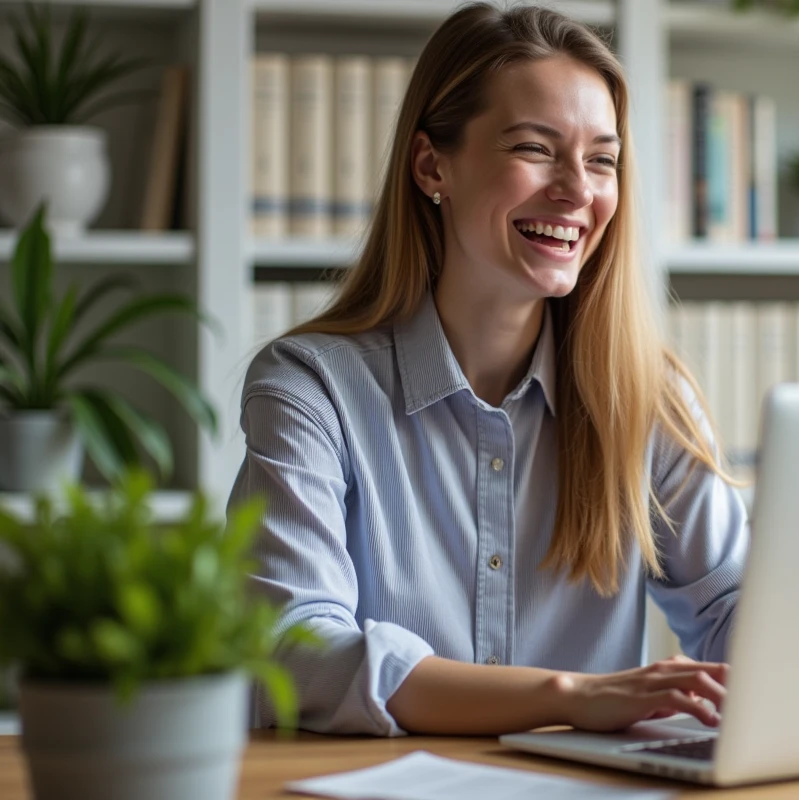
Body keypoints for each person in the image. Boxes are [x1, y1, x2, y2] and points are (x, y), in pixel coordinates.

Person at [230, 2, 748, 737]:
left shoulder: (646, 399)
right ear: (431, 165)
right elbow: (295, 651)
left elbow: (734, 611)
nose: (578, 190)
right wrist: (567, 696)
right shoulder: (311, 389)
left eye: (602, 159)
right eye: (535, 148)